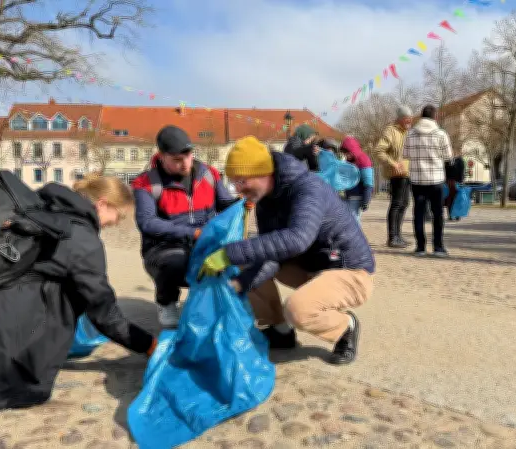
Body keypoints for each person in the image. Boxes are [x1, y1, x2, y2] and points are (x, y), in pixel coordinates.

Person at [0, 175, 157, 410]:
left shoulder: (44, 205)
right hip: (2, 319)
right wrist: (148, 344)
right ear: (102, 204)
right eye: (119, 216)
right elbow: (103, 310)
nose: (116, 224)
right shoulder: (83, 240)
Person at [197, 136, 375, 365]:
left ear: (263, 173)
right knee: (244, 266)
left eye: (242, 181)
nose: (238, 190)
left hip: (349, 270)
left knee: (298, 309)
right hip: (310, 267)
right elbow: (272, 253)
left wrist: (227, 253)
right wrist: (240, 284)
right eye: (234, 183)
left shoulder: (308, 188)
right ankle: (281, 330)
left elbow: (297, 239)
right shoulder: (266, 200)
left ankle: (345, 326)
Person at [131, 125, 236, 328]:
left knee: (235, 258)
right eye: (177, 160)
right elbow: (147, 222)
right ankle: (166, 302)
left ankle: (205, 302)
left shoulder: (209, 174)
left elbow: (225, 203)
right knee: (176, 263)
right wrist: (192, 232)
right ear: (162, 156)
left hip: (204, 241)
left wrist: (244, 201)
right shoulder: (145, 183)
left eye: (188, 156)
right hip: (163, 247)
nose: (185, 163)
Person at [403, 105, 453, 256]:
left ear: (421, 116)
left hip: (417, 179)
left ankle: (420, 247)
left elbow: (405, 155)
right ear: (434, 117)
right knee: (438, 214)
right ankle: (438, 247)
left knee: (418, 213)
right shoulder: (441, 134)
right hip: (436, 179)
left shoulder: (410, 134)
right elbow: (448, 156)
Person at [374, 105, 414, 247]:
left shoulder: (409, 132)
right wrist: (393, 163)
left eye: (411, 118)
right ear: (400, 119)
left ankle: (398, 235)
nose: (410, 121)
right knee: (396, 204)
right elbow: (378, 151)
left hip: (408, 173)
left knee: (405, 203)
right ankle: (392, 237)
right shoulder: (391, 131)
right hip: (396, 174)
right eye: (407, 118)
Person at [339, 136, 374, 222]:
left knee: (353, 221)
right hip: (349, 195)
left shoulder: (363, 159)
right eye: (344, 153)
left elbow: (368, 181)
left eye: (347, 153)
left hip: (357, 196)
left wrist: (366, 200)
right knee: (349, 220)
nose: (346, 155)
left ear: (352, 150)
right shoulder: (349, 161)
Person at [444, 153, 465, 221]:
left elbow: (445, 172)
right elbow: (462, 173)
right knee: (458, 199)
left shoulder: (447, 161)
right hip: (458, 182)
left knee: (450, 199)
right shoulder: (460, 161)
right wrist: (462, 182)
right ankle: (457, 215)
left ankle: (451, 215)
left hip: (449, 182)